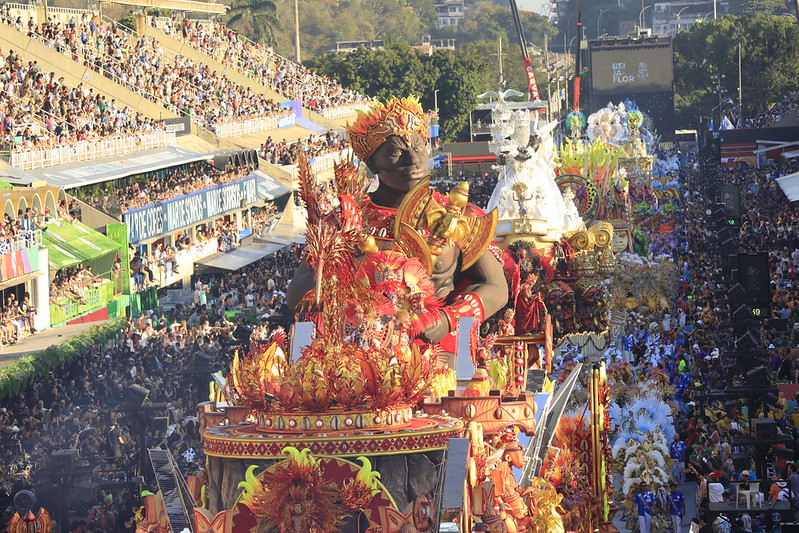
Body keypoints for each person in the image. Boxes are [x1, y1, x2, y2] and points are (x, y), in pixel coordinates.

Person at [287, 97, 508, 355]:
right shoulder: (343, 220)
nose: (412, 159)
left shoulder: (459, 216)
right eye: (396, 152)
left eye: (418, 146)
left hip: (436, 348)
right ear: (372, 164)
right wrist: (346, 266)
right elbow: (296, 296)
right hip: (363, 350)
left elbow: (497, 287)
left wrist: (448, 318)